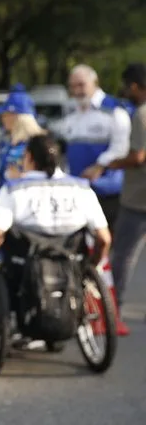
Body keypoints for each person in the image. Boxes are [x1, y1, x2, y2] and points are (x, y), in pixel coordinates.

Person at [0, 134, 111, 277]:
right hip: (72, 269)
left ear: (29, 157)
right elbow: (104, 239)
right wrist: (91, 267)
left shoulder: (12, 190)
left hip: (24, 272)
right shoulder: (82, 189)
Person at [87, 63, 146, 336]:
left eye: (126, 85)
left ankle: (113, 311)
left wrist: (108, 166)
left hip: (138, 201)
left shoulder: (142, 115)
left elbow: (138, 157)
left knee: (122, 257)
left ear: (134, 86)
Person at [63, 64, 132, 229]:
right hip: (79, 189)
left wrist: (99, 167)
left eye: (81, 85)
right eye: (73, 86)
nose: (77, 91)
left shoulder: (114, 110)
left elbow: (121, 147)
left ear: (95, 82)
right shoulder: (72, 113)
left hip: (106, 190)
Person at [0, 85, 45, 221]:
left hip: (32, 211)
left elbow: (49, 175)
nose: (2, 118)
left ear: (16, 117)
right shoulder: (5, 145)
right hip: (5, 206)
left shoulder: (40, 145)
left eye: (5, 114)